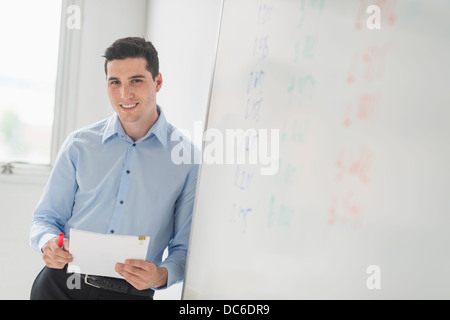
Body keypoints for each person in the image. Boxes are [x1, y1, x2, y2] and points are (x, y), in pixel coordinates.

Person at [29, 37, 199, 300]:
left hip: (130, 294)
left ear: (158, 82)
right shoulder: (79, 144)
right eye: (115, 82)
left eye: (136, 81)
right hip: (60, 285)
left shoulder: (187, 159)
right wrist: (47, 243)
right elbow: (45, 219)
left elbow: (184, 249)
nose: (125, 94)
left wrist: (160, 275)